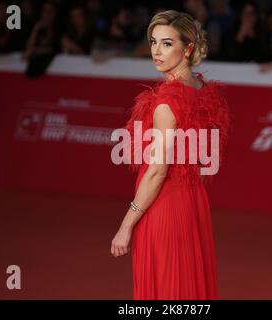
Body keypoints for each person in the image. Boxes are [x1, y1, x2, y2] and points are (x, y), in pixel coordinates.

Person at [110, 10, 230, 300]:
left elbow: (156, 171)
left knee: (166, 288)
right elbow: (204, 159)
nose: (156, 51)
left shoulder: (165, 104)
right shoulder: (204, 91)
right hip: (193, 202)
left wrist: (126, 225)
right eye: (153, 42)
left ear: (187, 49)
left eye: (166, 43)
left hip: (164, 205)